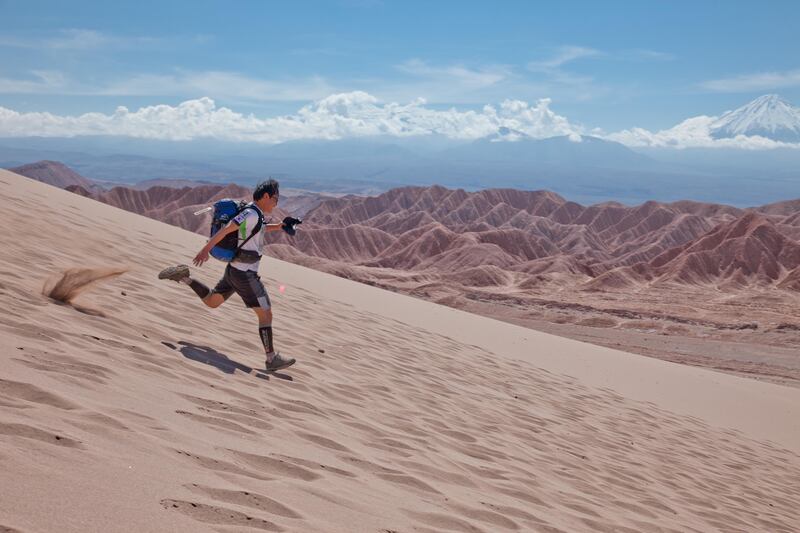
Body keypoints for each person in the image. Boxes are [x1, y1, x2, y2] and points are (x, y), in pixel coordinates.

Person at [158, 179, 297, 371]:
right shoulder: (250, 214)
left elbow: (258, 229)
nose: (276, 203)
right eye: (275, 198)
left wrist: (281, 226)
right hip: (245, 274)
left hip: (234, 271)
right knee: (266, 314)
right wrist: (205, 249)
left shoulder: (253, 212)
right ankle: (271, 358)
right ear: (266, 196)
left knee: (212, 301)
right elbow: (228, 228)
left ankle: (183, 277)